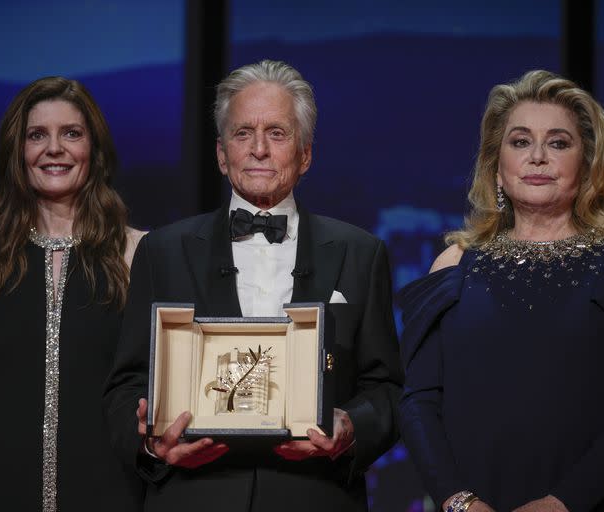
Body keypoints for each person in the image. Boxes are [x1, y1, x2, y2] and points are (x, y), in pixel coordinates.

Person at [103, 59, 402, 511]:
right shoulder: (162, 251)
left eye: (277, 133)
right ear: (222, 155)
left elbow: (386, 389)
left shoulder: (361, 254)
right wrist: (150, 443)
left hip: (314, 496)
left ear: (305, 154)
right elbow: (125, 386)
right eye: (243, 133)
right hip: (193, 495)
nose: (259, 149)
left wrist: (352, 427)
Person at [398, 70, 604, 512]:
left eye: (559, 142)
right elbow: (418, 403)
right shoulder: (452, 266)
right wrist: (459, 502)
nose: (538, 157)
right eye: (521, 141)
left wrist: (561, 503)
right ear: (496, 164)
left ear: (587, 164)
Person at [0, 77, 146, 511]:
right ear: (18, 152)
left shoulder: (136, 254)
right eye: (37, 135)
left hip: (109, 495)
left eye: (71, 133)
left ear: (94, 149)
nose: (54, 148)